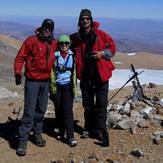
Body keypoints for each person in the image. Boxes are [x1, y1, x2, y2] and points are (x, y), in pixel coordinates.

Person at [70, 9, 116, 147]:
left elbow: (112, 48)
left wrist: (103, 53)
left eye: (87, 19)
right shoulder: (76, 38)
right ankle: (88, 128)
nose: (85, 21)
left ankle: (100, 131)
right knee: (88, 105)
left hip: (101, 75)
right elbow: (63, 46)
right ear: (79, 21)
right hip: (85, 76)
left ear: (91, 20)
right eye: (82, 19)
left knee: (101, 104)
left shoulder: (101, 34)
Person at [14, 18, 57, 156]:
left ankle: (37, 134)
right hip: (32, 81)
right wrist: (17, 73)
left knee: (41, 110)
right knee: (29, 111)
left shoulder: (53, 43)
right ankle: (22, 141)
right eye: (45, 27)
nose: (47, 30)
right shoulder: (32, 40)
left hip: (45, 82)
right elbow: (20, 57)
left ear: (51, 30)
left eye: (49, 28)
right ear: (41, 27)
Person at [49, 34, 77, 147]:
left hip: (68, 87)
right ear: (58, 44)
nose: (64, 45)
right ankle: (61, 132)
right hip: (57, 86)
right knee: (58, 109)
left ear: (69, 44)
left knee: (67, 111)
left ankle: (70, 137)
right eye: (61, 43)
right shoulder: (54, 56)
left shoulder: (73, 56)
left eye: (66, 43)